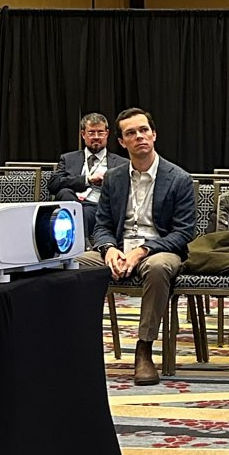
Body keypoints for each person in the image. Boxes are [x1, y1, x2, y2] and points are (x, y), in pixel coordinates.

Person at [81, 107, 195, 387]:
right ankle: (78, 344)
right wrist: (108, 248)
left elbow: (183, 232)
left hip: (159, 250)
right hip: (119, 249)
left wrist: (143, 250)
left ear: (154, 135)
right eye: (131, 133)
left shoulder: (179, 178)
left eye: (144, 130)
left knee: (157, 269)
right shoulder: (115, 178)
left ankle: (144, 348)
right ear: (121, 142)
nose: (139, 136)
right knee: (74, 263)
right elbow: (102, 224)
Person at [48, 112, 127, 238]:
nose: (96, 137)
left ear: (107, 134)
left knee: (85, 213)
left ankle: (78, 243)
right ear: (83, 134)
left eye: (100, 132)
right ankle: (83, 243)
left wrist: (108, 181)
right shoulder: (68, 158)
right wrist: (87, 180)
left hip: (98, 207)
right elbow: (53, 184)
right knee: (64, 193)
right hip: (70, 204)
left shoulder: (122, 163)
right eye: (91, 133)